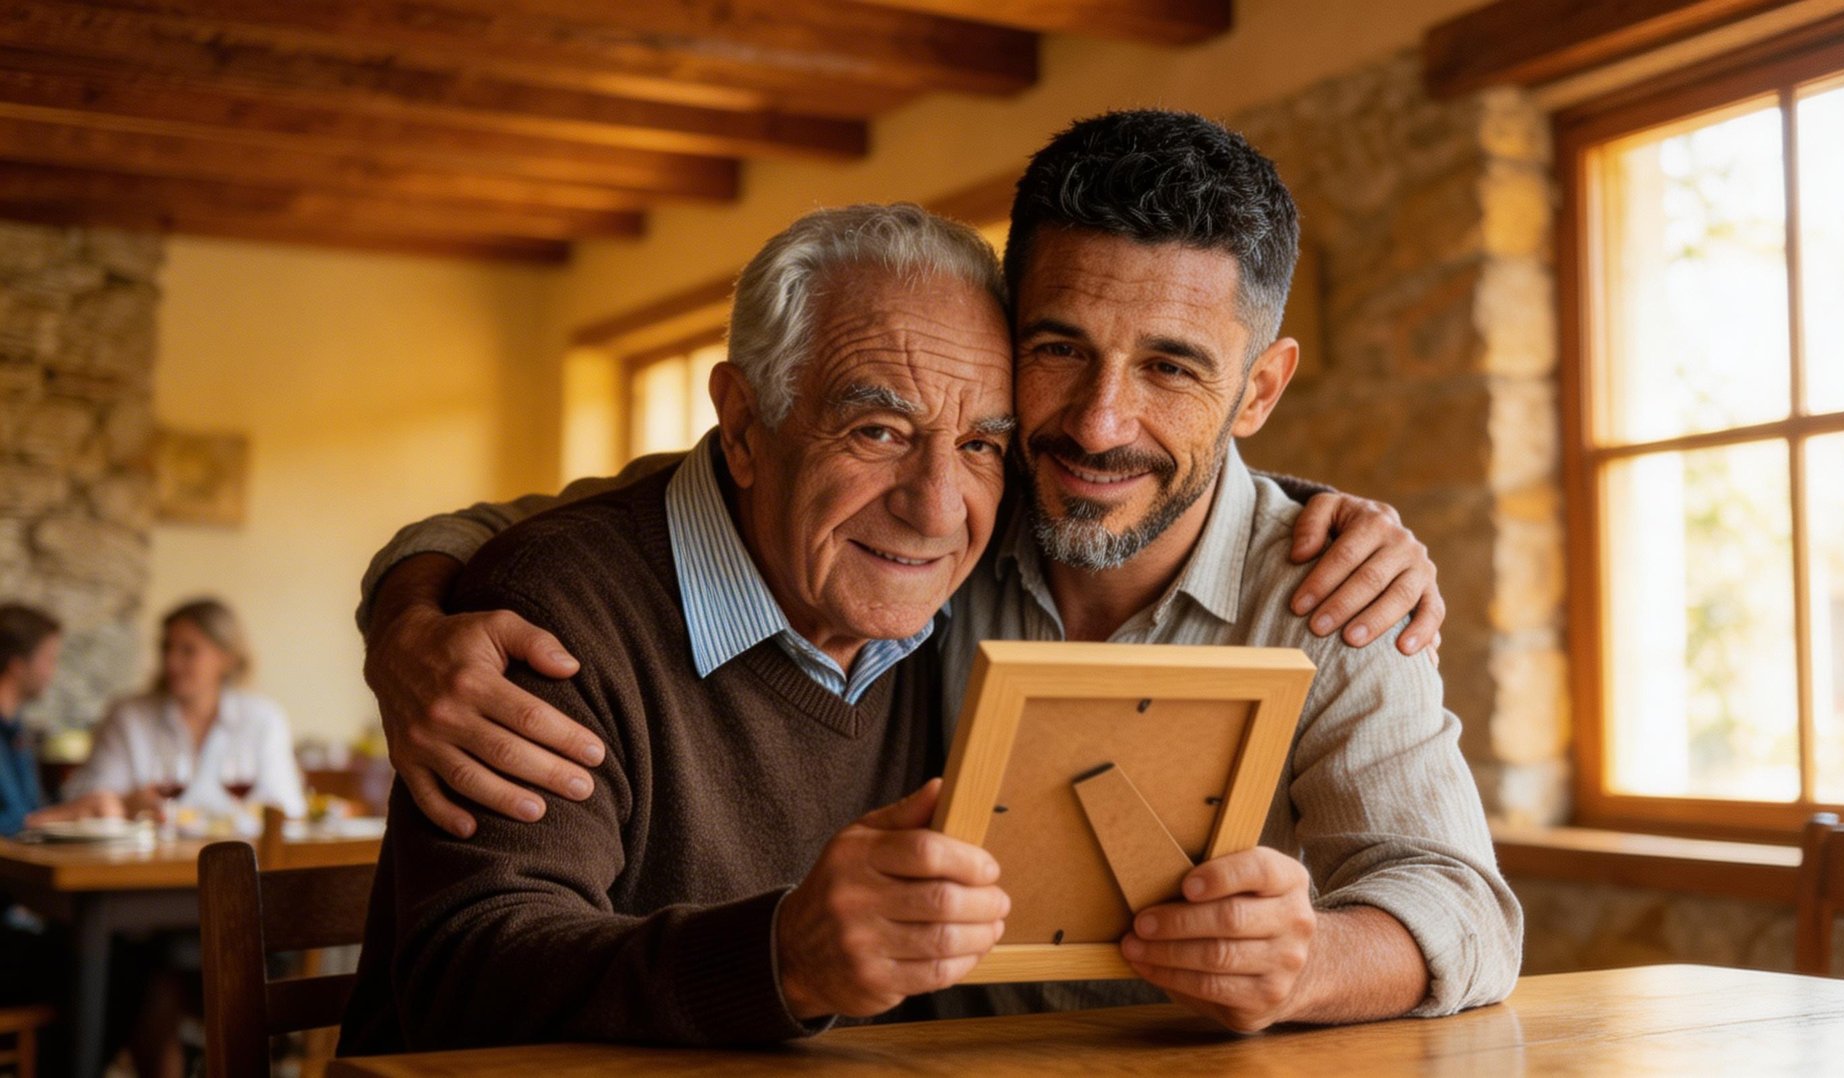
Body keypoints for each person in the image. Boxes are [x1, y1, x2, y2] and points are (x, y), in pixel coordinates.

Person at [353, 111, 1516, 1038]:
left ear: (1259, 391)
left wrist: (1304, 962)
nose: (1099, 424)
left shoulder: (1328, 582)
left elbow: (1462, 903)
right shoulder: (948, 521)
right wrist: (413, 598)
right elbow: (653, 513)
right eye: (1058, 348)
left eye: (1170, 366)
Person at [342, 205, 1023, 1052]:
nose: (936, 507)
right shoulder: (547, 611)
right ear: (742, 427)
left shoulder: (980, 602)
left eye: (982, 445)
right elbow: (465, 977)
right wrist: (779, 961)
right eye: (877, 430)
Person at [43, 598, 304, 824]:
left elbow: (287, 807)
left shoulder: (263, 718)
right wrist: (126, 803)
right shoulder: (128, 717)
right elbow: (85, 800)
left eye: (188, 651)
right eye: (166, 648)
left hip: (240, 866)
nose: (172, 662)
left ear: (226, 658)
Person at [0, 603, 61, 836]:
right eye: (49, 659)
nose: (52, 672)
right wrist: (64, 816)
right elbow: (16, 821)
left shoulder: (16, 730)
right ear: (17, 665)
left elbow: (31, 809)